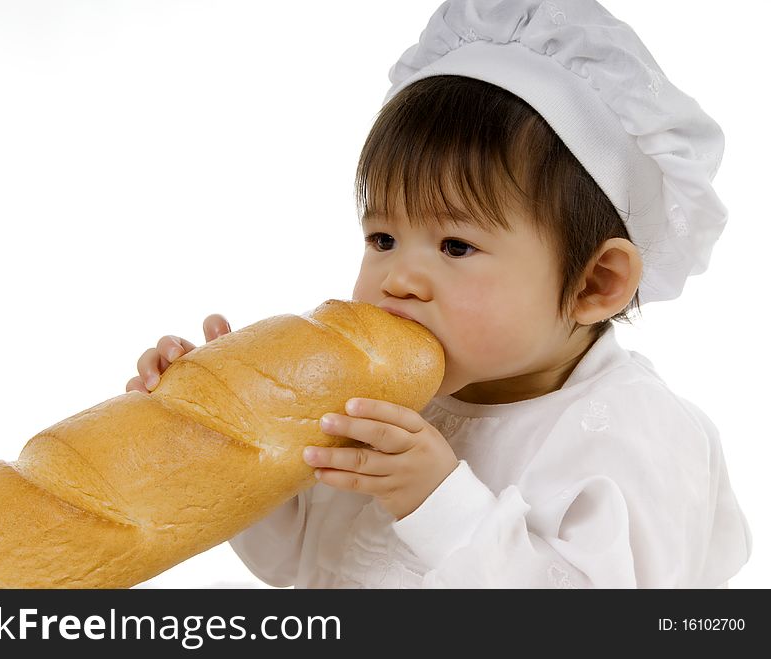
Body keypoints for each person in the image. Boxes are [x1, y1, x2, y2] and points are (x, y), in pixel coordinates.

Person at [126, 0, 751, 588]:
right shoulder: (391, 398)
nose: (397, 278)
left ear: (595, 284)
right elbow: (302, 560)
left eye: (455, 246)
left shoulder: (637, 435)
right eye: (382, 237)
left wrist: (438, 504)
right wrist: (230, 438)